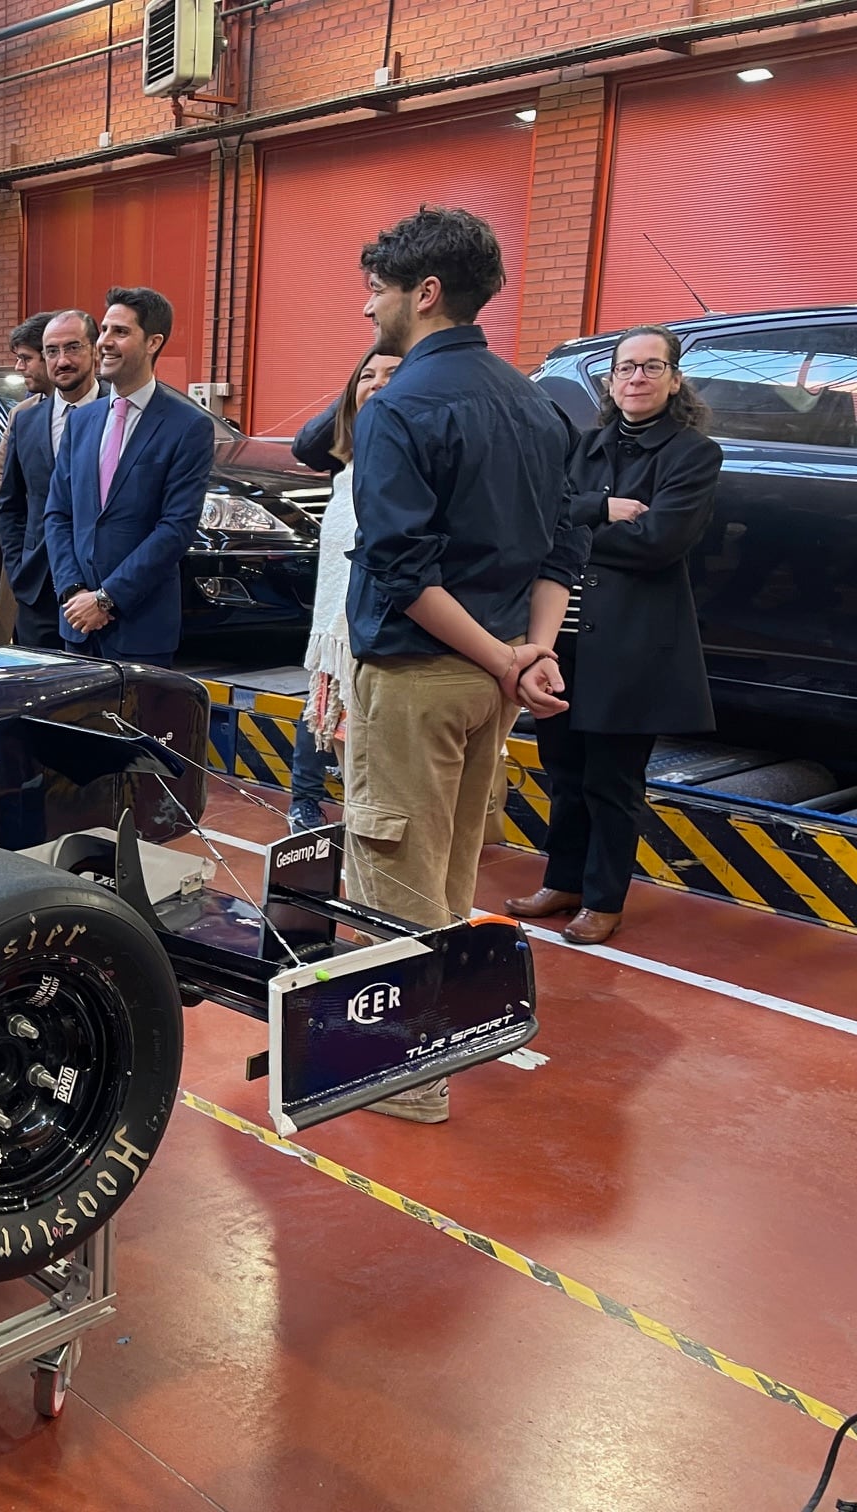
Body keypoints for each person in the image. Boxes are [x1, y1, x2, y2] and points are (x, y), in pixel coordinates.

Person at [342, 206, 583, 1125]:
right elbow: (563, 549)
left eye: (379, 289)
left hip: (423, 676)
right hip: (494, 680)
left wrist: (500, 656)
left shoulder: (403, 405)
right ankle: (438, 1044)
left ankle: (409, 1079)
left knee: (396, 873)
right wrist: (530, 658)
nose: (371, 309)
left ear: (426, 294)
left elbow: (402, 572)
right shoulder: (536, 400)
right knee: (447, 876)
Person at [506, 327, 721, 946]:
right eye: (626, 367)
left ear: (674, 379)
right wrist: (604, 510)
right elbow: (542, 521)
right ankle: (563, 880)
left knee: (613, 781)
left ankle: (603, 898)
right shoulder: (584, 445)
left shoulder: (692, 454)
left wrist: (578, 524)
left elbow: (661, 543)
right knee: (564, 771)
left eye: (652, 367)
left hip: (632, 647)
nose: (636, 378)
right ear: (609, 379)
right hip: (562, 638)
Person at [44, 287, 212, 667]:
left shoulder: (187, 427)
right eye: (103, 330)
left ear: (153, 342)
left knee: (143, 728)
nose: (104, 342)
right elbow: (58, 514)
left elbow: (175, 529)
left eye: (119, 332)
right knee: (76, 728)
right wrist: (74, 591)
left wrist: (106, 599)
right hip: (77, 624)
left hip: (141, 627)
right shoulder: (82, 421)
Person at [288, 346, 399, 833]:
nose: (378, 381)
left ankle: (364, 816)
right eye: (367, 375)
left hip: (385, 614)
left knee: (364, 722)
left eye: (394, 374)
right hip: (334, 616)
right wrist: (360, 394)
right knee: (321, 702)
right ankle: (304, 801)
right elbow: (306, 443)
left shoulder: (410, 457)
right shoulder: (345, 461)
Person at [0, 308, 103, 649]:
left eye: (72, 348)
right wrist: (19, 569)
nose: (62, 360)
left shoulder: (121, 414)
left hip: (101, 591)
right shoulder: (26, 421)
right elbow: (9, 504)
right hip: (37, 589)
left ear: (95, 350)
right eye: (52, 352)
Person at [0, 313, 50, 510]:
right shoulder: (21, 414)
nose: (18, 367)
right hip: (34, 535)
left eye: (26, 358)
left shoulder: (106, 408)